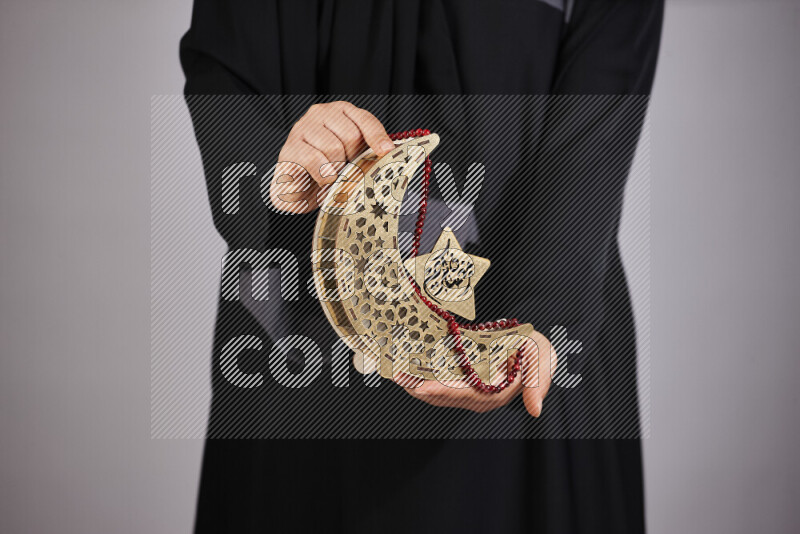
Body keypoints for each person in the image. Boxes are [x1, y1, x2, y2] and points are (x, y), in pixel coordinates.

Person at [180, 1, 663, 532]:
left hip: (537, 307)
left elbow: (600, 117)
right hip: (303, 330)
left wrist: (539, 322)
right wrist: (277, 165)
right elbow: (226, 63)